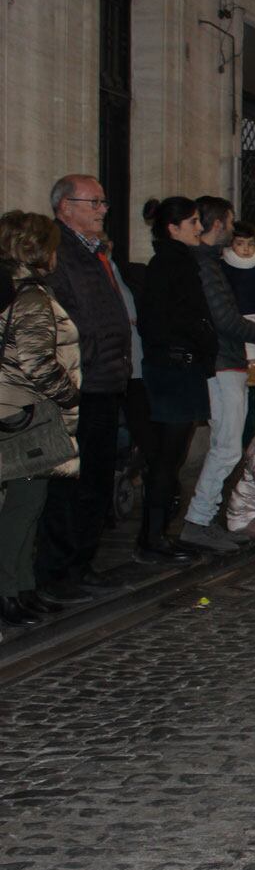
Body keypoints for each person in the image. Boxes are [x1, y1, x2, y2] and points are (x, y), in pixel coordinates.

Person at [37, 176, 134, 603]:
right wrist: (90, 357)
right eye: (92, 202)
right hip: (82, 383)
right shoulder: (60, 254)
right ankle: (59, 571)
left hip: (105, 380)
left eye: (103, 201)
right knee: (72, 482)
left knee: (95, 478)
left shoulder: (93, 252)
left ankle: (82, 562)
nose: (102, 209)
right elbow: (68, 319)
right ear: (65, 207)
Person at [0, 211, 82, 627]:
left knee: (27, 506)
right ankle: (8, 593)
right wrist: (71, 394)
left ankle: (23, 587)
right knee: (22, 507)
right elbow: (36, 362)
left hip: (17, 410)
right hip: (25, 415)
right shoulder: (28, 296)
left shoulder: (17, 289)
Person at [179, 197, 255, 554]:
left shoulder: (211, 264)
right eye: (230, 223)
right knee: (227, 448)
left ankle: (203, 519)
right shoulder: (205, 266)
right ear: (219, 224)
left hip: (226, 360)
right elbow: (223, 319)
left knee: (227, 446)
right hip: (221, 362)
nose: (233, 231)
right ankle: (198, 519)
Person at [136, 198, 217, 564]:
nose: (199, 227)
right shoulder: (169, 264)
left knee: (171, 457)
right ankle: (153, 537)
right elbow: (165, 319)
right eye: (193, 221)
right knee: (166, 458)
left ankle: (157, 534)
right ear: (173, 227)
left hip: (181, 369)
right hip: (173, 371)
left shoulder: (180, 262)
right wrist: (197, 343)